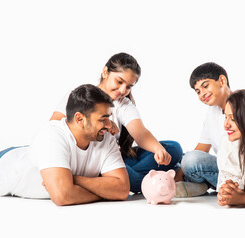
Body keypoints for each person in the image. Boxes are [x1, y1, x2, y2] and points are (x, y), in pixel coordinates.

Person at [50, 53, 183, 192]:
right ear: (105, 71)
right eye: (119, 82)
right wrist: (100, 124)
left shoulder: (123, 104)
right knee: (131, 180)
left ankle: (158, 176)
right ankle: (166, 178)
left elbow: (140, 132)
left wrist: (158, 150)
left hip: (115, 158)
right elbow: (54, 127)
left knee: (173, 149)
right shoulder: (81, 97)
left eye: (128, 87)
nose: (122, 90)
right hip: (93, 162)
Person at [0, 84, 130, 206]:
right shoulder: (51, 134)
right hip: (2, 170)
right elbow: (62, 196)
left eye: (109, 117)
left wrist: (73, 180)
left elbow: (122, 190)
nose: (109, 125)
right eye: (102, 119)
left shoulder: (104, 137)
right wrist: (105, 194)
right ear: (79, 119)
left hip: (30, 154)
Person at [175, 62, 232, 197]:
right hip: (222, 168)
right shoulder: (212, 112)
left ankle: (201, 185)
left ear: (222, 81)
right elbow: (203, 147)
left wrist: (186, 164)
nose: (202, 94)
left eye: (205, 86)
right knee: (181, 158)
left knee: (191, 160)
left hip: (240, 171)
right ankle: (199, 185)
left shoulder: (244, 103)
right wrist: (178, 173)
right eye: (198, 91)